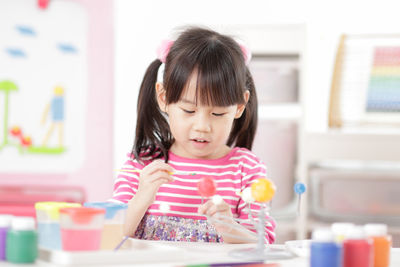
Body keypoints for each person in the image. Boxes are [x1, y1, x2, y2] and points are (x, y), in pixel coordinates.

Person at [110, 26, 275, 244]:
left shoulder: (246, 169)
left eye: (217, 113)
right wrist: (142, 197)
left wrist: (229, 228)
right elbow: (110, 234)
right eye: (189, 111)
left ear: (239, 106)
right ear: (163, 98)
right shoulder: (143, 163)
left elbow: (263, 243)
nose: (202, 126)